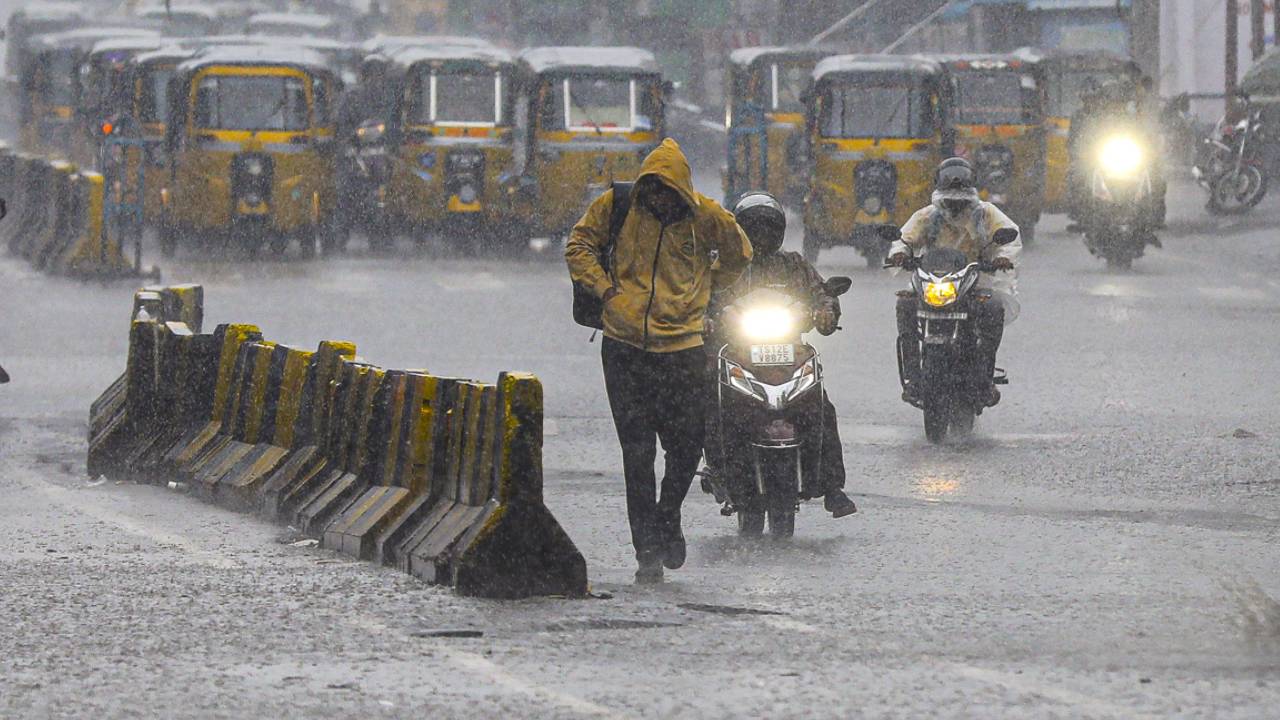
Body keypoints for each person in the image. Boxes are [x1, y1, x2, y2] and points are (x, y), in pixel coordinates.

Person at [565, 138, 752, 584]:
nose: (658, 200)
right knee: (637, 452)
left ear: (682, 192)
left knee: (686, 446)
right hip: (624, 348)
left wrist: (704, 292)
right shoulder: (619, 204)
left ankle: (668, 516)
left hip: (683, 350)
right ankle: (646, 548)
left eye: (667, 193)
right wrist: (607, 291)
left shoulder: (706, 216)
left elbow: (740, 255)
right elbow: (578, 246)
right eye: (653, 191)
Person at [704, 191, 857, 518]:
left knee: (822, 407)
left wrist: (827, 311)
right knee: (710, 403)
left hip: (790, 355)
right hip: (739, 353)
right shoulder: (726, 266)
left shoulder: (794, 265)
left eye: (767, 229)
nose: (761, 236)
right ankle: (717, 470)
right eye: (753, 229)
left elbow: (821, 295)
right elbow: (703, 299)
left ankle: (832, 486)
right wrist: (706, 319)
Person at [888, 158, 1020, 406]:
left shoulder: (987, 214)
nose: (954, 204)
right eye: (950, 196)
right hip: (931, 282)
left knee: (992, 308)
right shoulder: (927, 216)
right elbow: (904, 238)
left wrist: (1002, 258)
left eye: (959, 197)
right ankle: (914, 378)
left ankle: (984, 379)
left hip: (976, 282)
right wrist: (900, 254)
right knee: (905, 305)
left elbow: (1009, 239)